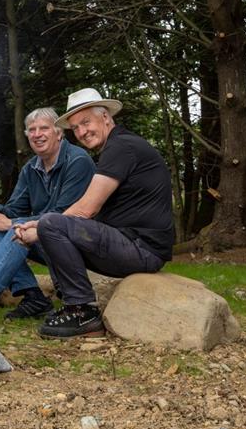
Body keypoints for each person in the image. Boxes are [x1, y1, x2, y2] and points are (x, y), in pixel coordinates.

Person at [14, 88, 174, 338]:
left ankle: (82, 312)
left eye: (86, 122)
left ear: (106, 117)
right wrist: (39, 227)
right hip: (131, 243)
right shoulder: (118, 147)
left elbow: (87, 208)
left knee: (51, 225)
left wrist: (40, 226)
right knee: (49, 228)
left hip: (142, 249)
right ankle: (71, 303)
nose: (81, 132)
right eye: (76, 127)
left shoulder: (122, 147)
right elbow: (93, 217)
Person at [0, 108, 96, 318]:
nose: (37, 134)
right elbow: (14, 211)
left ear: (59, 132)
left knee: (15, 226)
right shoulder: (31, 168)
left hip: (79, 241)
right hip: (46, 238)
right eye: (31, 130)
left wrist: (12, 223)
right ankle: (33, 296)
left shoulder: (78, 161)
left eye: (44, 128)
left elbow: (63, 215)